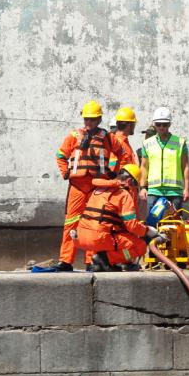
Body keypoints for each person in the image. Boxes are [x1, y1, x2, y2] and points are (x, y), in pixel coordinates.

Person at [54, 100, 123, 271]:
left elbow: (122, 153)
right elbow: (60, 155)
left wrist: (114, 172)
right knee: (71, 223)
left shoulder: (107, 137)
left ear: (99, 120)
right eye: (86, 119)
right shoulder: (74, 136)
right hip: (77, 185)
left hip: (96, 186)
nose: (88, 122)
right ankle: (66, 261)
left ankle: (92, 261)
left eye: (92, 119)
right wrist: (66, 173)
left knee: (94, 224)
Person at [76, 164, 161, 271]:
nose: (133, 190)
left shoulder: (99, 189)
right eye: (134, 185)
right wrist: (147, 230)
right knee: (139, 246)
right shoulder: (123, 194)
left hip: (82, 236)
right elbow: (132, 225)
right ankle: (107, 259)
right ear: (130, 181)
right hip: (100, 238)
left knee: (120, 239)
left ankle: (102, 264)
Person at [139, 107, 189, 213]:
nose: (161, 127)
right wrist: (143, 187)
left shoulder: (180, 143)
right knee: (153, 225)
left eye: (165, 124)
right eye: (158, 124)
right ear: (154, 124)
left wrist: (187, 189)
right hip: (154, 191)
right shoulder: (147, 143)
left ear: (169, 124)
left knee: (174, 225)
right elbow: (144, 166)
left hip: (174, 192)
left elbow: (185, 166)